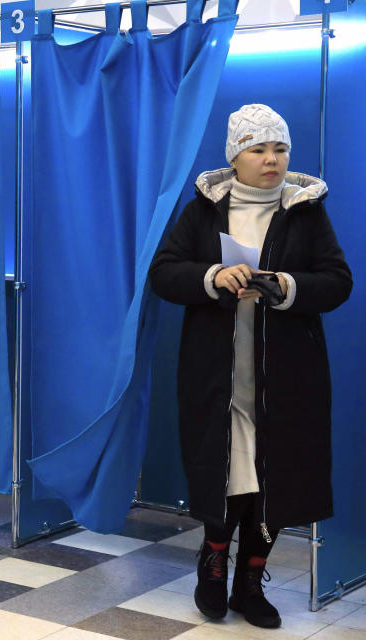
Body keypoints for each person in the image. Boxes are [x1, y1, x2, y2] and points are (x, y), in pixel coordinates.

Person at [149, 104, 352, 629]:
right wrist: (214, 276)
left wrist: (287, 287)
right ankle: (213, 568)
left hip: (288, 377)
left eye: (279, 148)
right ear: (235, 155)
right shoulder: (202, 210)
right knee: (229, 474)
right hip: (218, 374)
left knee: (274, 477)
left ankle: (249, 581)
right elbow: (165, 274)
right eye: (258, 149)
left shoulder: (306, 210)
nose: (271, 159)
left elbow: (338, 281)